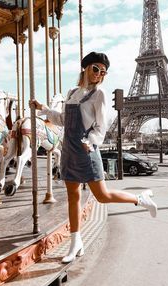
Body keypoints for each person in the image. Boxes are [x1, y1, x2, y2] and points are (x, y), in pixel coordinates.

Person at [30, 51, 158, 264]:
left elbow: (102, 125)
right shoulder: (72, 92)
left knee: (102, 195)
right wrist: (44, 109)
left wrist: (90, 141)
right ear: (86, 68)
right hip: (69, 149)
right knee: (73, 197)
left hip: (87, 149)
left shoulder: (99, 94)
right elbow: (62, 119)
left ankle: (140, 199)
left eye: (103, 71)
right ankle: (75, 242)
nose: (99, 74)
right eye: (96, 68)